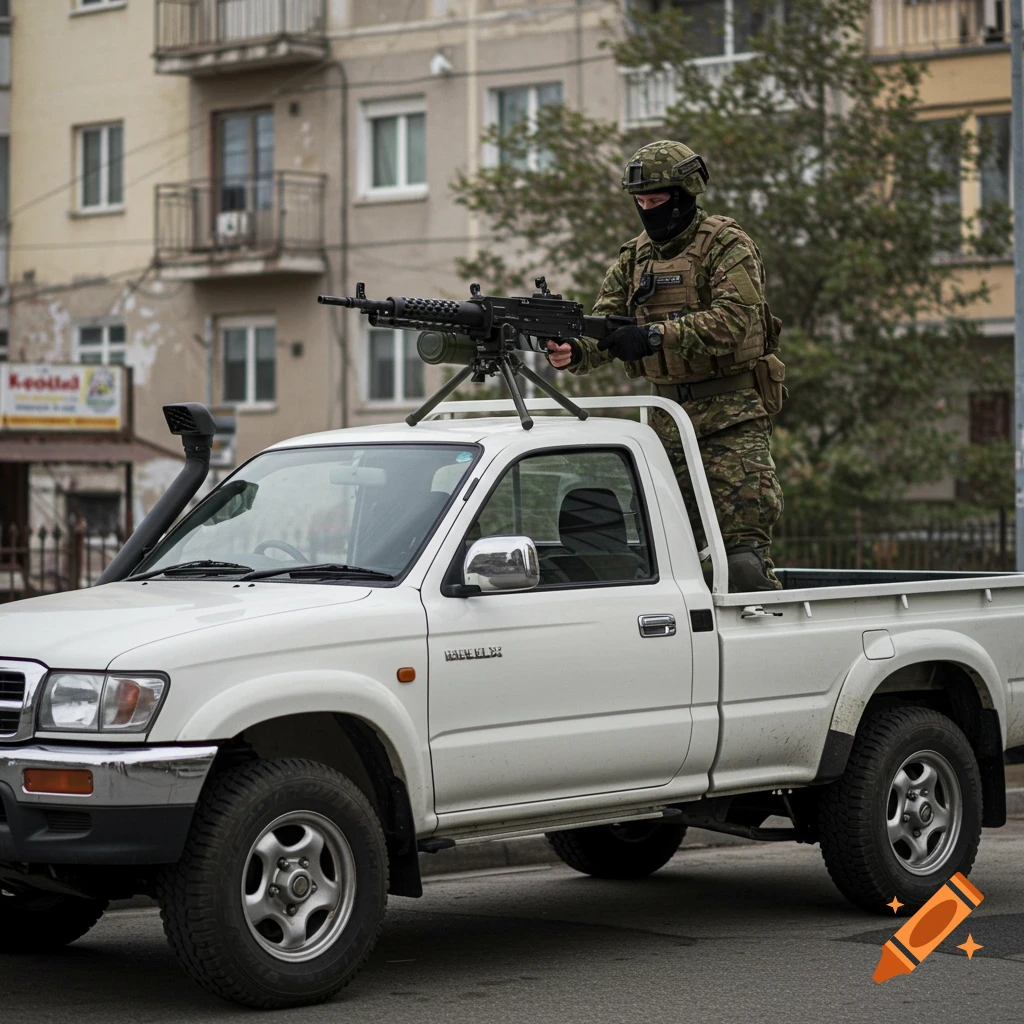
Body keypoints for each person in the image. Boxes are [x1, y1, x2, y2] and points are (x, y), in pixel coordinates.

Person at [547, 140, 786, 592]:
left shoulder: (727, 245)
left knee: (741, 567)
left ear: (684, 195)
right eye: (640, 202)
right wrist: (574, 351)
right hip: (666, 428)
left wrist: (657, 333)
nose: (646, 210)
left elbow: (736, 321)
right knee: (671, 565)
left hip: (730, 419)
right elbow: (608, 327)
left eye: (656, 201)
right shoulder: (634, 258)